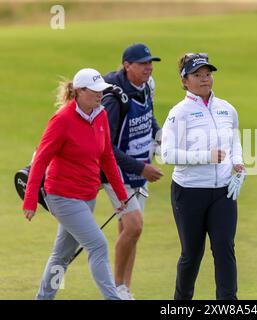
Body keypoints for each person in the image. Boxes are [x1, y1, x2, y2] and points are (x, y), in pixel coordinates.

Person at [23, 68, 128, 300]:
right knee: (98, 245)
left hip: (88, 194)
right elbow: (41, 159)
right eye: (96, 91)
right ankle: (113, 298)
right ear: (79, 92)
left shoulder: (100, 115)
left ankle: (43, 298)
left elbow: (107, 156)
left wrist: (120, 193)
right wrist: (30, 200)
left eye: (103, 91)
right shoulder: (62, 120)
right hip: (61, 195)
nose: (101, 95)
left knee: (62, 255)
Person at [161, 53, 247, 300]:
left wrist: (238, 165)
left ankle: (228, 303)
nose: (204, 79)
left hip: (223, 191)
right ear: (185, 80)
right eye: (197, 75)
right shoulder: (180, 113)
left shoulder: (226, 109)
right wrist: (205, 156)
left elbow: (234, 138)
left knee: (224, 248)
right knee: (192, 254)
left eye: (207, 74)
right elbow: (167, 154)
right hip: (189, 192)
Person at [101, 43, 163, 299]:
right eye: (142, 63)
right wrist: (141, 168)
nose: (148, 67)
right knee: (135, 226)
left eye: (150, 62)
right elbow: (105, 148)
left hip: (139, 168)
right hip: (117, 172)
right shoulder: (114, 100)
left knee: (129, 230)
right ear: (127, 66)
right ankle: (116, 288)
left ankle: (125, 288)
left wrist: (158, 135)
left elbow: (148, 116)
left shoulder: (147, 86)